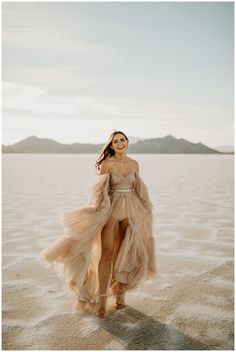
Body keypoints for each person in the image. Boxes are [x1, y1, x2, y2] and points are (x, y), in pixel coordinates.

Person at [40, 130, 157, 319]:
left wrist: (144, 213)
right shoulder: (106, 164)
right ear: (111, 145)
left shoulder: (135, 164)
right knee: (107, 255)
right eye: (115, 141)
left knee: (124, 255)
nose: (119, 143)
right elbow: (100, 192)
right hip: (111, 213)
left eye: (122, 140)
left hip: (131, 212)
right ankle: (102, 300)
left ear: (127, 142)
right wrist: (98, 213)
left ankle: (120, 296)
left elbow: (138, 191)